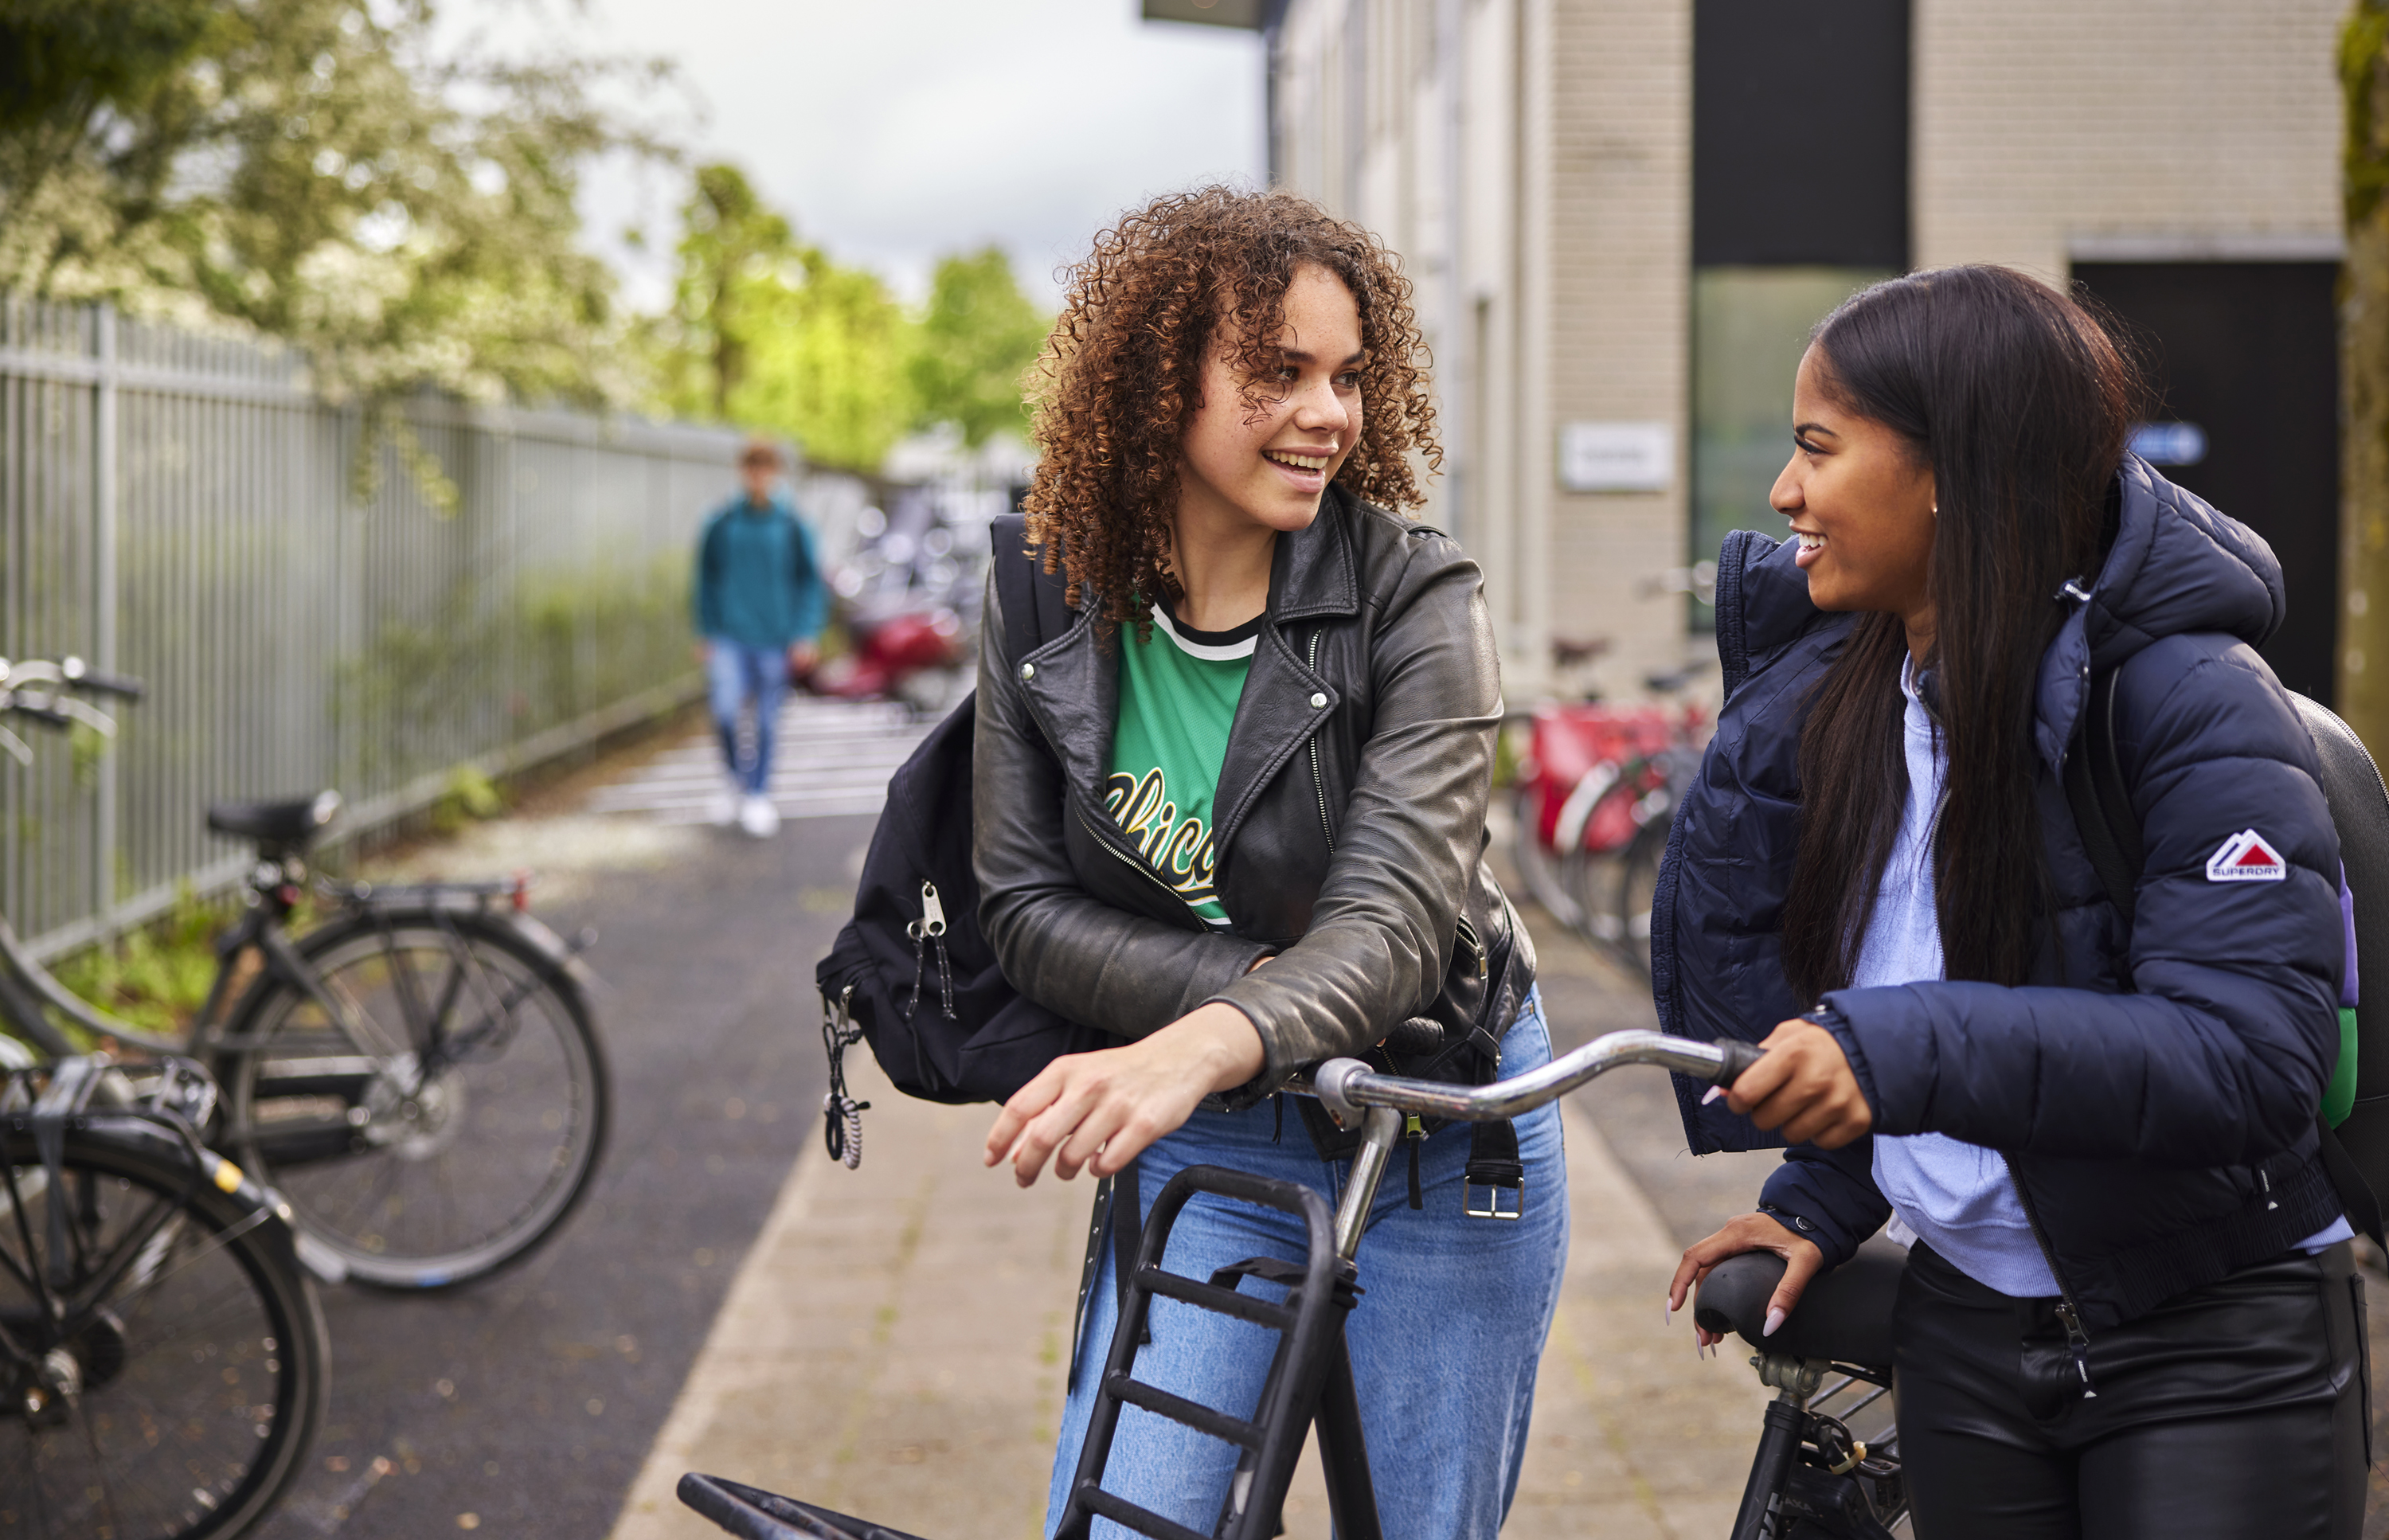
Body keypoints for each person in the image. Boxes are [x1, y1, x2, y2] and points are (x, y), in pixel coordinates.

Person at [1656, 266, 2367, 1538]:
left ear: (1955, 471)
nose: (1783, 495)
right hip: (1967, 1332)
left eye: (1819, 448)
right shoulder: (1858, 702)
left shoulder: (2192, 700)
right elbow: (1908, 985)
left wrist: (1896, 1053)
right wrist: (1825, 1190)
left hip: (2208, 1342)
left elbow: (2252, 1059)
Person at [972, 186, 1565, 1539]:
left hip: (1437, 1114)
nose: (1330, 412)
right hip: (1214, 1126)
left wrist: (1206, 1031)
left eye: (1350, 375)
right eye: (1280, 372)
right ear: (1151, 385)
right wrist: (1236, 1000)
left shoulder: (1417, 592)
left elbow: (1398, 928)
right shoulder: (1039, 585)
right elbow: (1018, 901)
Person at [691, 440, 826, 838]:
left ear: (776, 473)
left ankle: (758, 793)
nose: (758, 476)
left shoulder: (791, 524)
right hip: (730, 637)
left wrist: (805, 633)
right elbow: (706, 579)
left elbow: (810, 583)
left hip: (775, 638)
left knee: (767, 720)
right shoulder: (723, 522)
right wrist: (706, 630)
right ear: (743, 472)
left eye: (766, 468)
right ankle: (735, 781)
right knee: (726, 712)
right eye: (752, 468)